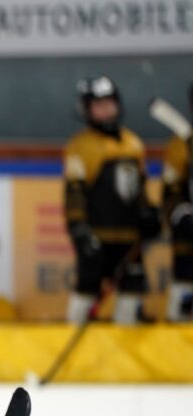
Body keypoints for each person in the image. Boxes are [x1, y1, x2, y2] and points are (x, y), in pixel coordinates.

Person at [63, 76, 159, 324]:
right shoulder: (80, 146)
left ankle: (125, 343)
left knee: (131, 294)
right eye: (98, 105)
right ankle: (74, 338)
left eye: (109, 103)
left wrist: (149, 214)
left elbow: (138, 190)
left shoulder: (133, 144)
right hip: (97, 238)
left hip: (129, 239)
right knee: (87, 291)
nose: (105, 109)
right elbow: (74, 193)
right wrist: (79, 230)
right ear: (87, 110)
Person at [161, 81, 193, 322]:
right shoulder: (180, 145)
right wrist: (182, 216)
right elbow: (170, 195)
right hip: (188, 248)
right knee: (182, 316)